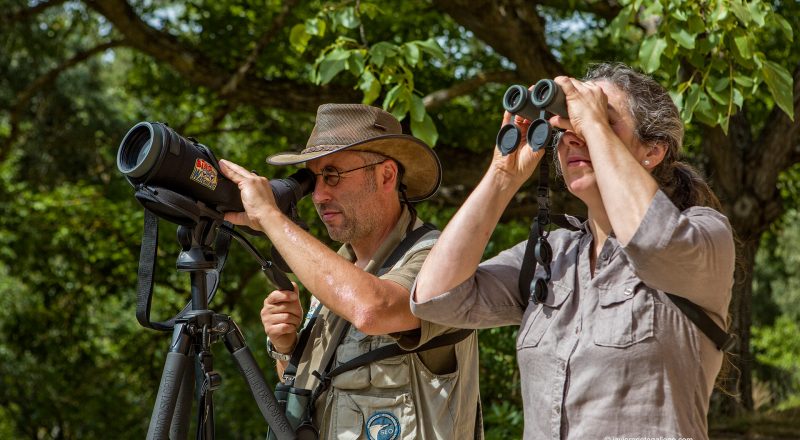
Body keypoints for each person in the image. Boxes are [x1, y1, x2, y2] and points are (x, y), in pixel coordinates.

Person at [411, 63, 735, 439]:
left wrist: (592, 124)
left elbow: (652, 242)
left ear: (653, 151)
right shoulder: (552, 255)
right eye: (566, 126)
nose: (573, 137)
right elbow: (435, 298)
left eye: (603, 120)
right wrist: (503, 176)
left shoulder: (703, 234)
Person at [218, 103, 481, 439]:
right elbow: (310, 394)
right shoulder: (334, 277)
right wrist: (286, 349)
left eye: (333, 175)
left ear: (386, 175)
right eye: (313, 180)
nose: (319, 195)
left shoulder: (439, 258)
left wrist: (270, 217)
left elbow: (372, 309)